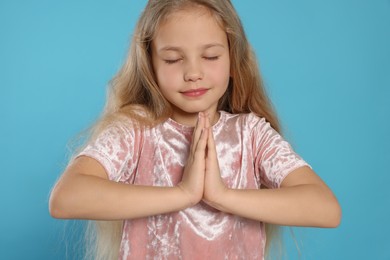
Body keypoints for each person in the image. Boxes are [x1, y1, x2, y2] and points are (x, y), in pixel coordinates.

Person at [49, 0, 341, 259]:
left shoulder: (251, 134)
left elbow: (326, 209)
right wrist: (184, 193)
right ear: (150, 65)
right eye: (173, 59)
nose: (193, 73)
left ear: (232, 61)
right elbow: (66, 199)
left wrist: (220, 196)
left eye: (210, 56)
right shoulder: (136, 130)